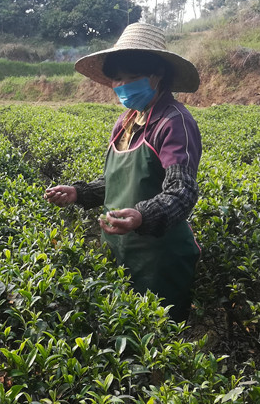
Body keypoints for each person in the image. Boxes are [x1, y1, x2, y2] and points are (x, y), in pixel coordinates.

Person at [44, 22, 202, 322]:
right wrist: (79, 192)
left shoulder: (173, 122)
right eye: (117, 79)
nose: (122, 86)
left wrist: (142, 215)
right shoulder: (126, 122)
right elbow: (118, 180)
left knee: (157, 343)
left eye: (132, 78)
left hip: (159, 259)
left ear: (157, 76)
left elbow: (182, 190)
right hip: (119, 250)